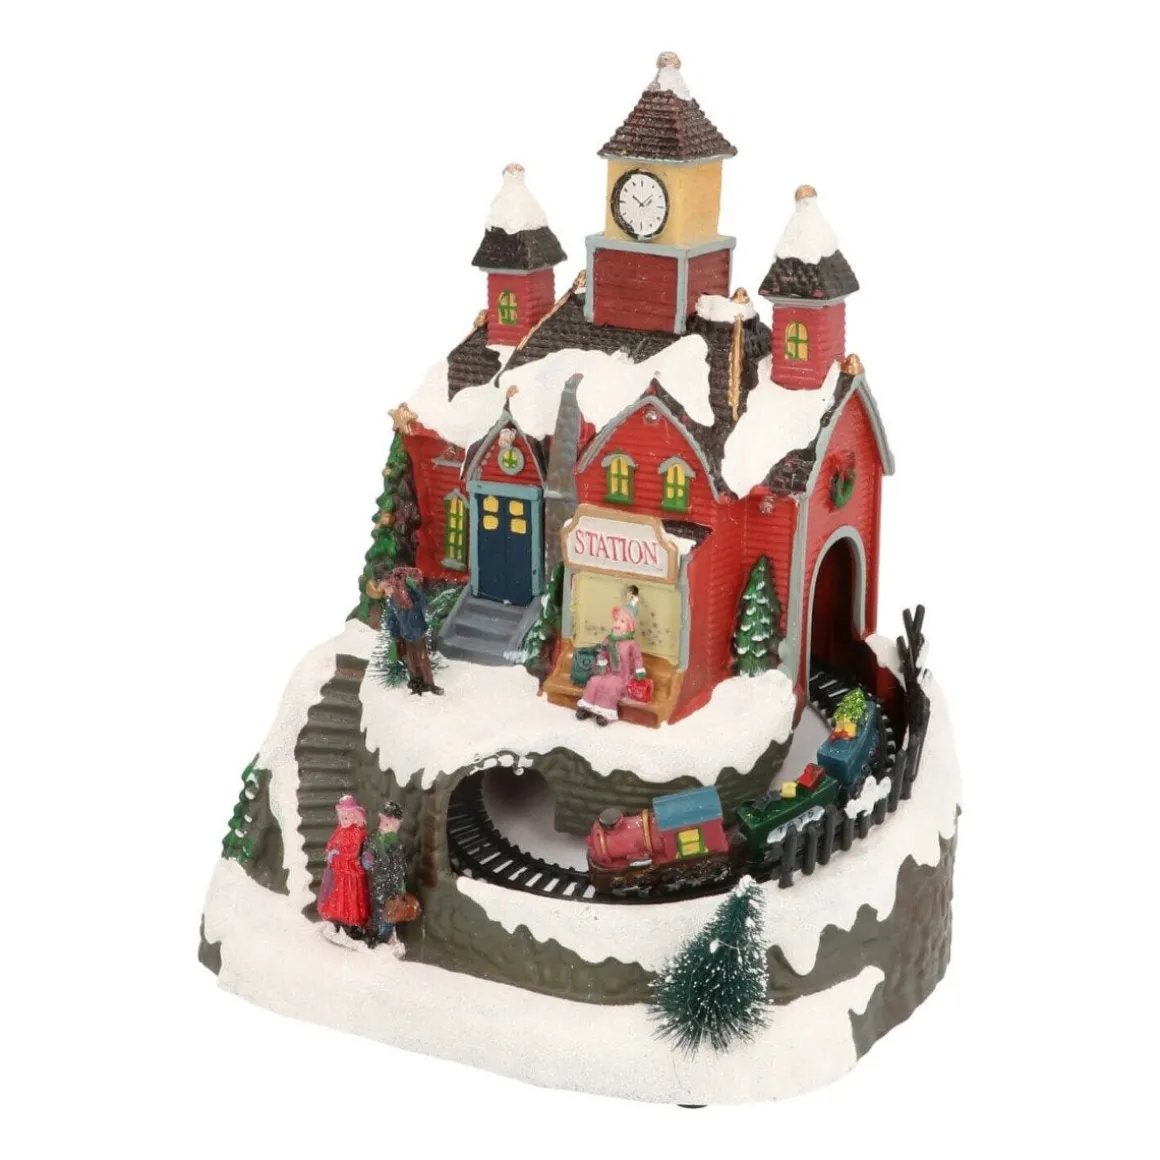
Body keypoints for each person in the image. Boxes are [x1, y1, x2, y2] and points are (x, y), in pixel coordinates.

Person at [576, 605, 647, 725]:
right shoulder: (609, 639)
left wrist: (639, 670)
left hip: (622, 675)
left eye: (622, 621)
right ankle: (587, 707)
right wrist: (602, 663)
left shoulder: (631, 643)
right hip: (608, 671)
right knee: (595, 681)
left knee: (611, 685)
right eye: (616, 620)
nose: (617, 623)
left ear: (629, 626)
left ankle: (604, 712)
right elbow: (602, 653)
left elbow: (637, 658)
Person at [381, 566, 443, 696]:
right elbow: (393, 617)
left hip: (416, 631)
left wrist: (412, 616)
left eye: (386, 588)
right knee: (410, 657)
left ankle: (428, 683)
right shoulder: (393, 599)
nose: (385, 592)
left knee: (421, 657)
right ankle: (416, 681)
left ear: (392, 584)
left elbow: (420, 604)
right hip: (406, 633)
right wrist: (394, 631)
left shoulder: (406, 594)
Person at [318, 794, 370, 937]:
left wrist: (336, 856)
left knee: (350, 899)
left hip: (350, 874)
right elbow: (331, 843)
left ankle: (352, 923)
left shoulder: (358, 833)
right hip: (338, 874)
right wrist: (331, 852)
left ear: (354, 816)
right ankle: (338, 919)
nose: (343, 820)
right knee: (337, 898)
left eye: (346, 817)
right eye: (341, 817)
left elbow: (352, 853)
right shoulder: (340, 830)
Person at [362, 802, 408, 958]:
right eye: (382, 822)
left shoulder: (395, 845)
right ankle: (376, 935)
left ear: (396, 824)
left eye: (387, 823)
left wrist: (399, 890)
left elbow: (398, 870)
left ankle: (383, 937)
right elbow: (367, 858)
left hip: (389, 887)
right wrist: (367, 857)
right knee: (376, 910)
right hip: (376, 883)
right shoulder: (376, 839)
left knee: (387, 914)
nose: (382, 826)